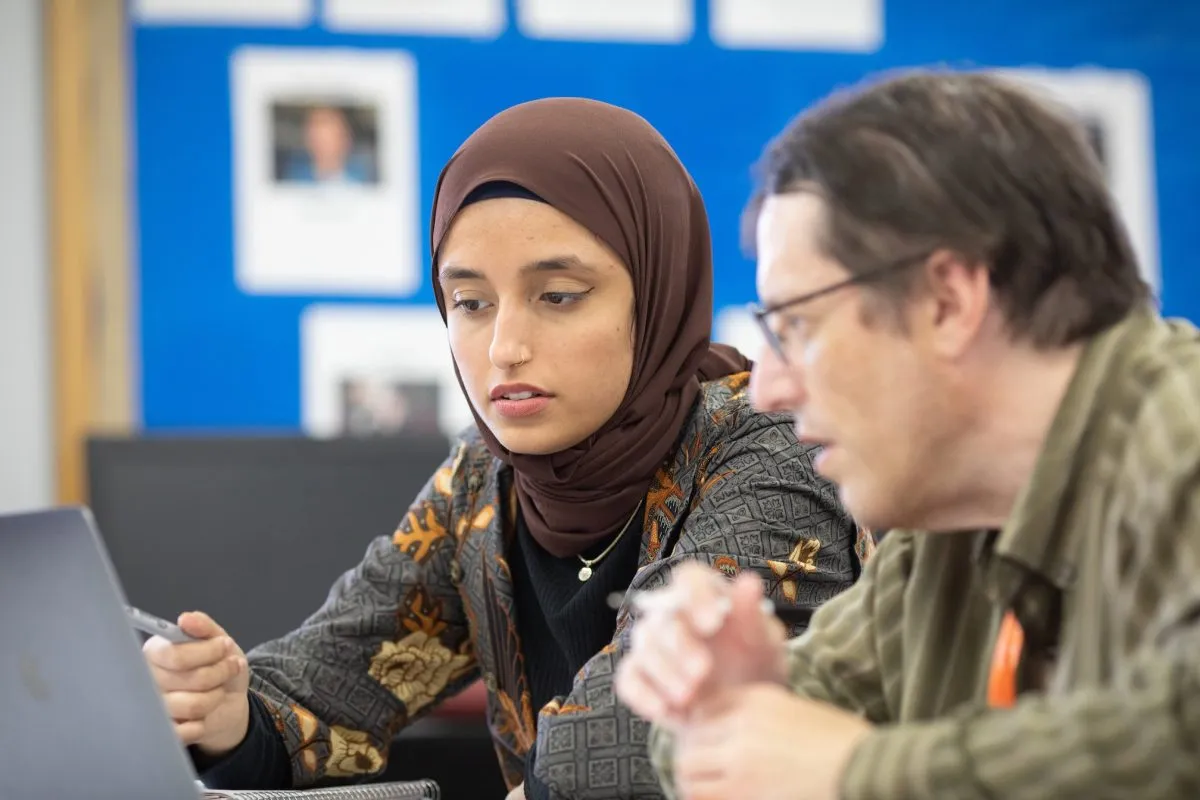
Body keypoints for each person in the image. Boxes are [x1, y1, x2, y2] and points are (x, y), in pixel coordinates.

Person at [143, 98, 870, 799]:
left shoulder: (773, 450)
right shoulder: (486, 479)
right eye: (470, 302)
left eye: (558, 295)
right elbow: (329, 681)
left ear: (654, 293)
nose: (504, 348)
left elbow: (631, 745)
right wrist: (224, 712)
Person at [614, 68, 1200, 799]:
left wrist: (856, 773)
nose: (766, 387)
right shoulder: (949, 523)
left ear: (947, 302)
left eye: (796, 325)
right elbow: (739, 753)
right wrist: (719, 702)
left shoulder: (1183, 433)